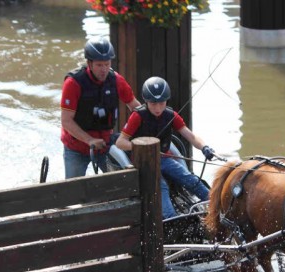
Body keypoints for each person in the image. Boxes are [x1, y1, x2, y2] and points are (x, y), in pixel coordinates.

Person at [116, 76, 217, 219]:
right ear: (146, 101)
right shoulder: (137, 116)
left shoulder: (171, 115)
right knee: (161, 186)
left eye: (161, 103)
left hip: (163, 158)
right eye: (153, 103)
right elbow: (120, 142)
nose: (158, 108)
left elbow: (190, 136)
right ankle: (171, 219)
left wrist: (204, 147)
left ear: (166, 101)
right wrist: (145, 147)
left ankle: (216, 205)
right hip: (143, 163)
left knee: (188, 177)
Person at [60, 37, 141, 179]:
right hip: (76, 148)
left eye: (107, 64)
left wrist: (151, 121)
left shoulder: (116, 80)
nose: (104, 70)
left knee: (120, 184)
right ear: (89, 64)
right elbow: (66, 121)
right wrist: (89, 140)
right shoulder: (73, 83)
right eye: (99, 65)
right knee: (73, 193)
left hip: (105, 146)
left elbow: (135, 107)